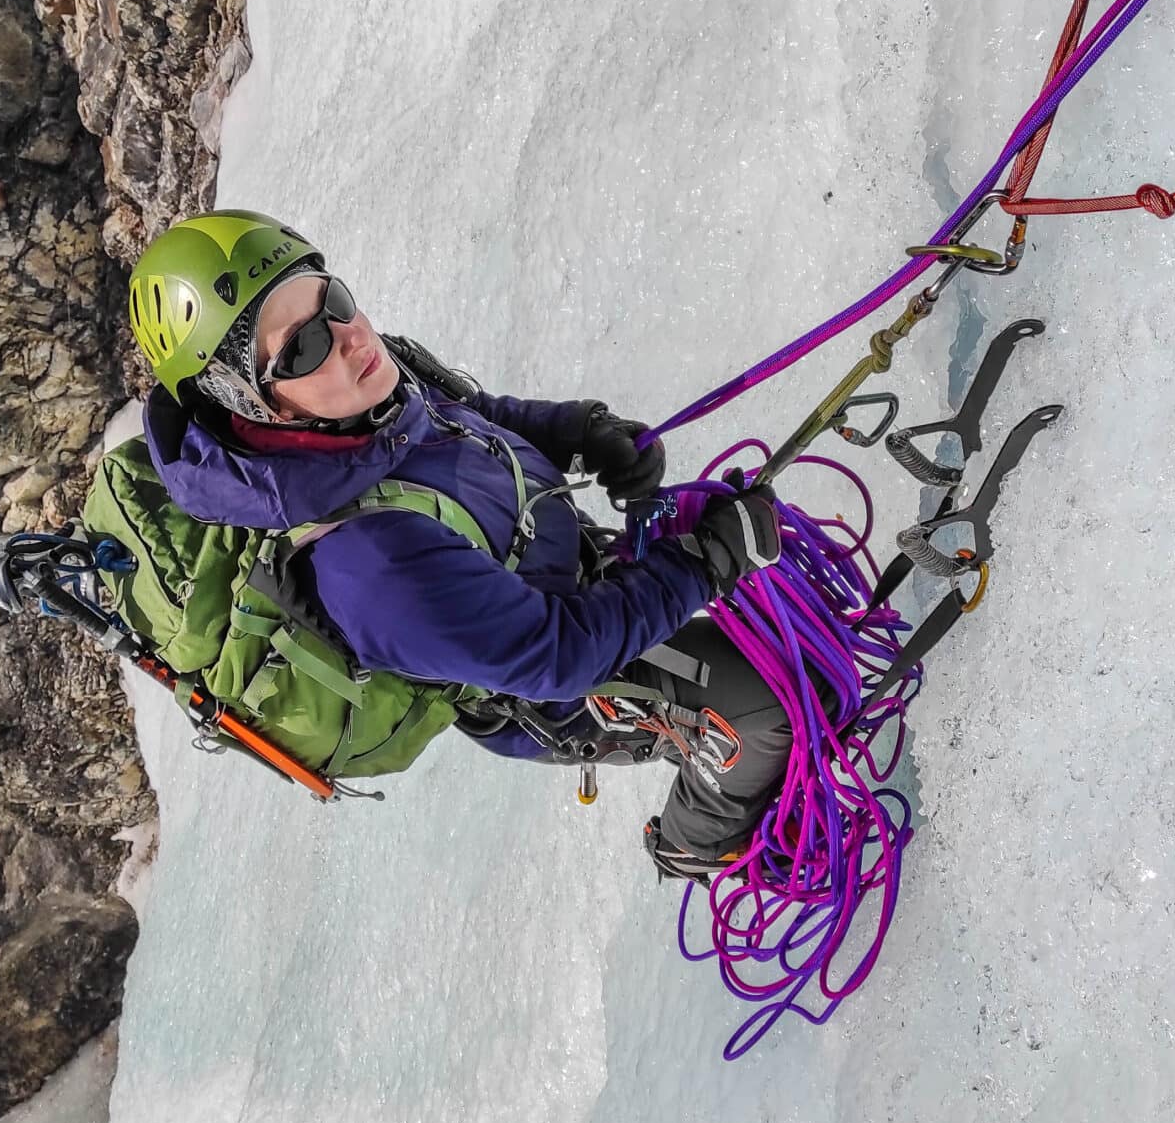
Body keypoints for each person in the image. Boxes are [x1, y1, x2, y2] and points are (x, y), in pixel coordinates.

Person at [127, 210, 792, 877]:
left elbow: (468, 420)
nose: (350, 336)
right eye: (302, 346)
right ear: (249, 401)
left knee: (775, 606)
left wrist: (576, 432)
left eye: (332, 298)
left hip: (560, 570)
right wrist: (707, 561)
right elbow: (560, 656)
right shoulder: (368, 563)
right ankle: (696, 843)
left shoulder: (363, 391)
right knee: (772, 703)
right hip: (564, 685)